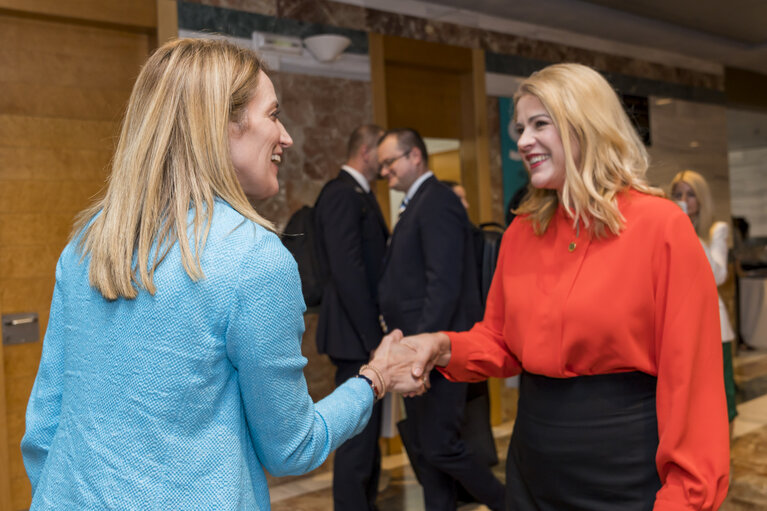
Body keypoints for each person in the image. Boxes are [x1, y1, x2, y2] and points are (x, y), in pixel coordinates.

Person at [20, 38, 423, 510]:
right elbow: (292, 447)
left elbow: (43, 429)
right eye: (274, 114)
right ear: (222, 127)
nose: (286, 136)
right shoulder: (254, 258)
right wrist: (375, 376)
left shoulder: (87, 242)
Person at [396, 63, 730, 510]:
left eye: (540, 124)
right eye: (520, 128)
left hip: (627, 470)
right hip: (534, 465)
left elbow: (693, 383)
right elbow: (501, 340)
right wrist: (438, 345)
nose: (524, 140)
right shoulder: (523, 230)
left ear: (585, 126)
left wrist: (685, 498)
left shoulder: (660, 225)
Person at [377, 129, 506, 511]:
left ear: (415, 156)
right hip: (419, 349)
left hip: (435, 350)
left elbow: (444, 284)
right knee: (425, 449)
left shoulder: (438, 201)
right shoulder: (417, 203)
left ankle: (511, 502)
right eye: (382, 164)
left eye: (390, 162)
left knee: (440, 446)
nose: (384, 171)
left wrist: (421, 350)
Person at [314, 124, 389, 511]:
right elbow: (348, 271)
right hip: (353, 337)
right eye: (383, 152)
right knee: (356, 445)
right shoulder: (342, 193)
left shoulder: (359, 193)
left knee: (367, 440)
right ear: (365, 150)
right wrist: (373, 337)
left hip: (358, 334)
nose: (388, 160)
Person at [671, 169, 738, 431]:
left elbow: (717, 275)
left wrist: (688, 230)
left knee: (724, 399)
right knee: (694, 403)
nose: (684, 200)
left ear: (701, 198)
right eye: (678, 194)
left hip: (715, 328)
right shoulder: (669, 232)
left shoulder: (715, 231)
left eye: (690, 194)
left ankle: (727, 466)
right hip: (683, 328)